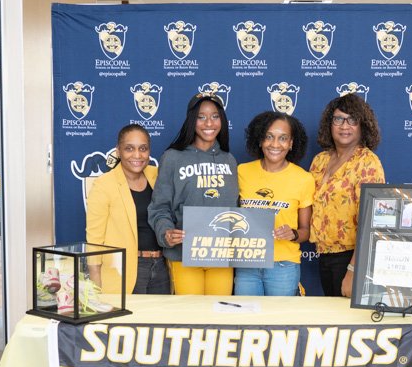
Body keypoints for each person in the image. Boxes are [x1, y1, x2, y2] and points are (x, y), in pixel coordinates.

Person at [148, 93, 238, 295]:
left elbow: (235, 210)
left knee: (219, 316)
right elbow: (159, 206)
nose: (209, 123)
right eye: (201, 116)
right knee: (190, 317)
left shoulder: (229, 160)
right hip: (183, 254)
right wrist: (166, 233)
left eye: (215, 116)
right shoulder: (172, 158)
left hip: (220, 255)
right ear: (192, 120)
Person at [308, 94, 384, 297]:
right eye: (338, 119)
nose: (345, 126)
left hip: (351, 256)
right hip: (324, 255)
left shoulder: (367, 162)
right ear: (329, 124)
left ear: (362, 126)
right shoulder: (320, 160)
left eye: (353, 120)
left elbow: (371, 222)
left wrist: (353, 270)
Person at [236, 112, 313, 296]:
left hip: (283, 265)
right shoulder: (242, 172)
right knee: (245, 322)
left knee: (280, 323)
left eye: (283, 138)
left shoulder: (303, 179)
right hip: (247, 264)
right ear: (260, 140)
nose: (275, 144)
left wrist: (292, 234)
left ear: (291, 143)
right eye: (269, 137)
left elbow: (306, 232)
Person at [85, 124, 168, 295]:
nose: (137, 155)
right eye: (129, 149)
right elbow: (94, 240)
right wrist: (95, 286)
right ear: (118, 151)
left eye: (143, 149)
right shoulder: (103, 185)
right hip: (126, 269)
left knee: (161, 320)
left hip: (161, 267)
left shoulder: (158, 175)